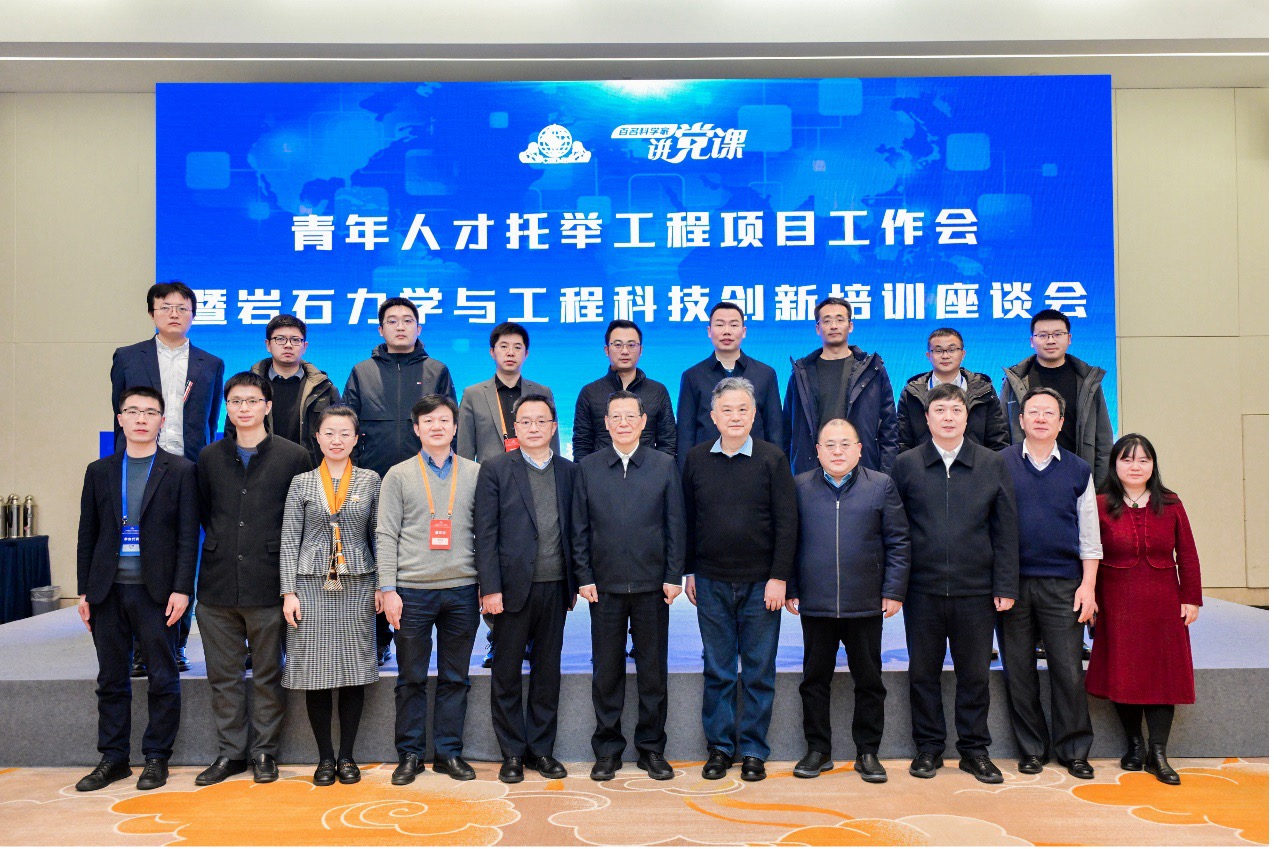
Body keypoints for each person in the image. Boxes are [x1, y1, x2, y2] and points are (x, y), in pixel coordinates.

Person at [892, 383, 1019, 784]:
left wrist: (1005, 585)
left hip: (976, 590)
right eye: (940, 410)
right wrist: (895, 587)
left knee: (975, 674)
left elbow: (1005, 530)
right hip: (922, 590)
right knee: (922, 673)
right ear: (926, 418)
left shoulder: (992, 463)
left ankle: (974, 750)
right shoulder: (906, 465)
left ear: (967, 417)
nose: (948, 417)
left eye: (956, 410)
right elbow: (895, 531)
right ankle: (928, 748)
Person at [74, 386, 198, 792]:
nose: (141, 418)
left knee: (162, 676)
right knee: (111, 678)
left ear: (162, 420)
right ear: (120, 419)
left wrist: (183, 589)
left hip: (156, 591)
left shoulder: (180, 470)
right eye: (132, 411)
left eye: (150, 412)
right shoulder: (100, 471)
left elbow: (187, 537)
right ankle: (113, 758)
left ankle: (157, 757)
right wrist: (85, 591)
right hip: (107, 589)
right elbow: (88, 534)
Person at [193, 372, 313, 786]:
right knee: (223, 676)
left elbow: (302, 521)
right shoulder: (209, 457)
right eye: (236, 401)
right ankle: (230, 754)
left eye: (252, 400)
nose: (244, 408)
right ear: (227, 408)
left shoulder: (294, 456)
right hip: (217, 584)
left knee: (267, 674)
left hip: (269, 582)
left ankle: (264, 752)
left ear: (268, 406)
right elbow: (205, 514)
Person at [682, 377, 796, 782]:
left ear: (754, 414)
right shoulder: (695, 459)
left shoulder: (772, 458)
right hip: (710, 581)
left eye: (742, 409)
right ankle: (719, 748)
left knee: (759, 670)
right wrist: (689, 570)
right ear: (713, 417)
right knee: (719, 669)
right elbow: (688, 520)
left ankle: (753, 750)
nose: (735, 416)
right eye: (726, 410)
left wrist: (779, 577)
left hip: (761, 584)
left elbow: (787, 523)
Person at [786, 418, 910, 783]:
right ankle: (818, 750)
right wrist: (791, 586)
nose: (837, 451)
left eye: (845, 444)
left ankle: (868, 752)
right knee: (814, 681)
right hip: (817, 603)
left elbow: (899, 541)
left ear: (859, 449)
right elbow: (788, 542)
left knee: (869, 681)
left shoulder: (881, 485)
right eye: (830, 445)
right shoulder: (799, 487)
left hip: (866, 603)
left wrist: (893, 590)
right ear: (817, 451)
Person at [110, 281, 225, 674]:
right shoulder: (128, 357)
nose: (174, 313)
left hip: (188, 468)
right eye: (165, 307)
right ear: (152, 313)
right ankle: (141, 645)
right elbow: (119, 413)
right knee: (138, 550)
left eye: (182, 307)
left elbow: (210, 420)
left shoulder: (210, 363)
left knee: (185, 551)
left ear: (193, 314)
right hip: (141, 463)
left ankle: (176, 644)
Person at [572, 390, 685, 781]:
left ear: (643, 422)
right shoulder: (587, 467)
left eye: (630, 416)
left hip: (653, 585)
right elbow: (579, 527)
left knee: (653, 671)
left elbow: (675, 525)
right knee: (607, 671)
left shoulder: (663, 464)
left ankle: (652, 748)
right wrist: (583, 576)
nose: (623, 423)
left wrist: (673, 575)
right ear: (605, 423)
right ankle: (607, 749)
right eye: (615, 416)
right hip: (603, 586)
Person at [344, 296, 456, 666]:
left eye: (408, 320)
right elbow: (347, 425)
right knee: (374, 556)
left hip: (424, 480)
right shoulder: (362, 371)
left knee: (418, 555)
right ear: (381, 329)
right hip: (372, 479)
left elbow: (449, 426)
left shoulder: (436, 370)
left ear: (418, 328)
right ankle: (378, 638)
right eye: (392, 321)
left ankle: (419, 636)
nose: (400, 326)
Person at [997, 387, 1101, 779]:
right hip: (1012, 585)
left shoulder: (1079, 469)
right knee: (1018, 669)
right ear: (1021, 420)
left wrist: (1088, 586)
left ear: (1061, 422)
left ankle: (1074, 750)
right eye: (1033, 412)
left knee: (1068, 669)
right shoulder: (999, 464)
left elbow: (1090, 536)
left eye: (1049, 413)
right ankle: (1031, 749)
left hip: (1064, 585)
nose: (1041, 418)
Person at [1086, 434, 1202, 786]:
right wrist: (1090, 598)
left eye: (1143, 460)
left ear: (1153, 465)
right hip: (1116, 602)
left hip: (1163, 602)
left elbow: (1188, 553)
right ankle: (1135, 745)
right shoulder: (1100, 503)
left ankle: (1158, 753)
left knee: (1162, 674)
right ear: (1114, 465)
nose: (1135, 466)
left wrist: (1191, 597)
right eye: (1127, 459)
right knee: (1125, 672)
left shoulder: (1171, 502)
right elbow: (1088, 553)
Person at [377, 395, 481, 784]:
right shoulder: (398, 474)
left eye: (444, 420)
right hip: (412, 591)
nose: (437, 427)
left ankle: (449, 753)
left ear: (455, 427)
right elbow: (385, 534)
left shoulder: (475, 473)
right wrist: (388, 589)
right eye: (428, 421)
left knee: (456, 677)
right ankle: (410, 754)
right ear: (416, 429)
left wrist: (486, 585)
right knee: (411, 678)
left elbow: (486, 533)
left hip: (463, 589)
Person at [474, 395, 578, 784]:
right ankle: (513, 753)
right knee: (506, 672)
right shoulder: (496, 469)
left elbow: (577, 529)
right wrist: (490, 587)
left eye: (541, 421)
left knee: (547, 672)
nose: (534, 427)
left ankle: (541, 751)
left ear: (554, 427)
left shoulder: (570, 471)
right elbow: (485, 533)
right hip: (510, 589)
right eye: (526, 421)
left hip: (556, 586)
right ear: (515, 428)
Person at [280, 406, 381, 786]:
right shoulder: (302, 482)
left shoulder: (371, 480)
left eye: (344, 433)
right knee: (315, 672)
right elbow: (290, 539)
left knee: (354, 671)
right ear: (317, 438)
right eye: (329, 433)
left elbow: (379, 536)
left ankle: (347, 756)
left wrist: (381, 586)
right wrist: (288, 592)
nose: (336, 440)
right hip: (309, 585)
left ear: (356, 439)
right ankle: (324, 758)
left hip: (358, 583)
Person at [457, 321, 558, 668]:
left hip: (536, 484)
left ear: (526, 353)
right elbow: (465, 450)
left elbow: (553, 444)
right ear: (492, 352)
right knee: (494, 561)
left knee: (533, 558)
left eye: (517, 347)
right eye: (504, 346)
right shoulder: (474, 394)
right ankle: (496, 637)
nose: (510, 353)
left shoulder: (541, 391)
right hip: (493, 487)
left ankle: (532, 638)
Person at [783, 296, 898, 476]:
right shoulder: (801, 374)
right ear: (817, 328)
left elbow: (889, 429)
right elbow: (786, 431)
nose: (834, 326)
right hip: (811, 473)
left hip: (863, 471)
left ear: (850, 326)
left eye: (840, 320)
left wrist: (884, 477)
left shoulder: (873, 371)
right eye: (827, 321)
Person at [1001, 309, 1113, 486]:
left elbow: (1103, 440)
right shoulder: (1015, 381)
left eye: (1058, 334)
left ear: (1069, 338)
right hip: (1024, 478)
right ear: (1032, 341)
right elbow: (1002, 434)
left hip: (1076, 477)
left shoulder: (1088, 381)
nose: (1051, 340)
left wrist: (1100, 487)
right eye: (1043, 335)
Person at [676, 302, 783, 470]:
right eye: (720, 325)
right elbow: (685, 434)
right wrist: (686, 474)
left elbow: (775, 431)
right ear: (709, 331)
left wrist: (776, 471)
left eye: (733, 325)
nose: (727, 331)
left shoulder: (765, 374)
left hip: (756, 468)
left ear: (744, 331)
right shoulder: (692, 376)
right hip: (707, 468)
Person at [224, 314, 340, 466]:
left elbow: (340, 434)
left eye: (295, 340)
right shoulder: (247, 387)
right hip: (259, 471)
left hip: (311, 472)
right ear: (268, 345)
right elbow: (231, 433)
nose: (288, 345)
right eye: (280, 339)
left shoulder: (324, 388)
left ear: (305, 346)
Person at [572, 320, 676, 461]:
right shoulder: (589, 393)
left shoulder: (658, 391)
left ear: (641, 350)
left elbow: (668, 442)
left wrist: (659, 471)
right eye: (618, 345)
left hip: (648, 472)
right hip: (601, 472)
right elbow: (582, 444)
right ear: (606, 350)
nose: (625, 351)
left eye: (631, 345)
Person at [897, 327, 1010, 454]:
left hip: (976, 464)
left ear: (963, 354)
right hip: (923, 464)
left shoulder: (984, 390)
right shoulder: (911, 393)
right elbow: (902, 443)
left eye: (952, 350)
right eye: (938, 350)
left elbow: (998, 440)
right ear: (928, 356)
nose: (945, 356)